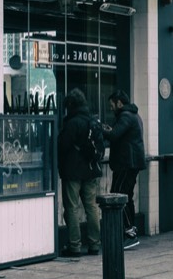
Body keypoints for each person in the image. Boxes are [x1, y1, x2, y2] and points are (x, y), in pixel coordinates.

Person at [57, 88, 103, 257]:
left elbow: (62, 146)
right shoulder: (92, 121)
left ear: (70, 105)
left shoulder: (72, 123)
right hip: (90, 171)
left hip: (73, 171)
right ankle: (94, 245)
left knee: (72, 208)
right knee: (91, 207)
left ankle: (74, 246)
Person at [101, 90, 144, 249]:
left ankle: (129, 234)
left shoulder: (126, 116)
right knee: (127, 196)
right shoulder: (134, 115)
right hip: (131, 163)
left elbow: (114, 135)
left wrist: (100, 128)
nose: (111, 108)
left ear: (120, 103)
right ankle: (130, 229)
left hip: (126, 164)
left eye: (112, 104)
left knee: (119, 196)